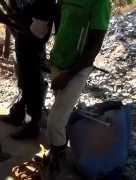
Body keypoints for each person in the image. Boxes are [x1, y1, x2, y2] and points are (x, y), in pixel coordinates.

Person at [46, 0, 111, 173]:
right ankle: (59, 145)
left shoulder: (100, 3)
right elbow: (61, 24)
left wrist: (67, 75)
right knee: (60, 113)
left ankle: (57, 154)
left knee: (54, 121)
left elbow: (93, 48)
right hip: (57, 62)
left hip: (76, 69)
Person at [0, 0, 55, 139]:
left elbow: (37, 33)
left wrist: (8, 21)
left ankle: (32, 126)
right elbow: (19, 15)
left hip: (33, 47)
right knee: (25, 82)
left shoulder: (44, 4)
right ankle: (18, 115)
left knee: (33, 85)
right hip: (23, 43)